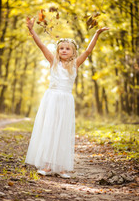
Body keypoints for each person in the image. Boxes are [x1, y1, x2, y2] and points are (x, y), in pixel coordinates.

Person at [25, 16, 109, 178]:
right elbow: (41, 45)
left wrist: (96, 34)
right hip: (52, 99)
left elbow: (88, 51)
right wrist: (31, 30)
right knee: (50, 130)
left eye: (67, 48)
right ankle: (47, 166)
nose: (64, 50)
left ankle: (61, 166)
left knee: (62, 132)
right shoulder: (53, 62)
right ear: (58, 51)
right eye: (61, 48)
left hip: (66, 101)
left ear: (73, 52)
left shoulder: (75, 64)